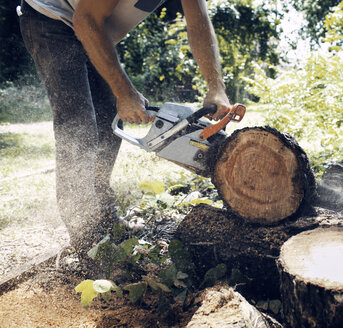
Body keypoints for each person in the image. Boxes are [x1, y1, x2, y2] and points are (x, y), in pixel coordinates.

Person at [18, 0, 231, 275]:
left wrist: (216, 87)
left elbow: (198, 24)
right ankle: (90, 245)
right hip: (52, 20)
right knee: (79, 129)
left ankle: (106, 222)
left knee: (108, 123)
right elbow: (86, 21)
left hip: (95, 30)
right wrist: (125, 93)